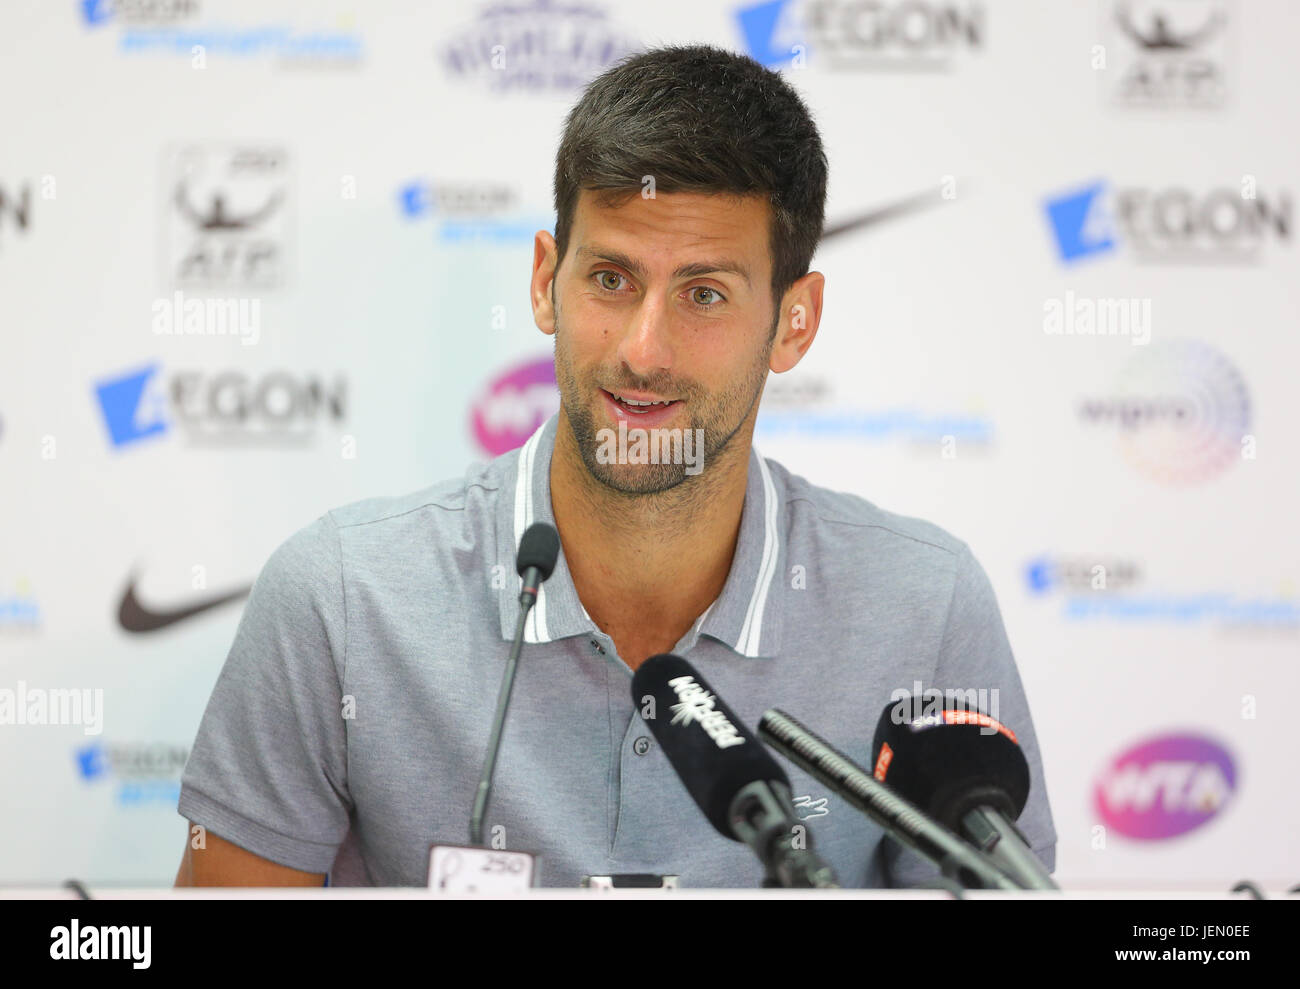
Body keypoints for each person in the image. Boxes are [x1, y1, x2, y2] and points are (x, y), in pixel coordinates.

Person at [174, 43, 1056, 888]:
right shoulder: (343, 597)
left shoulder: (923, 604)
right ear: (544, 280)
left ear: (795, 321)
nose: (643, 349)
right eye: (611, 279)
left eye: (704, 293)